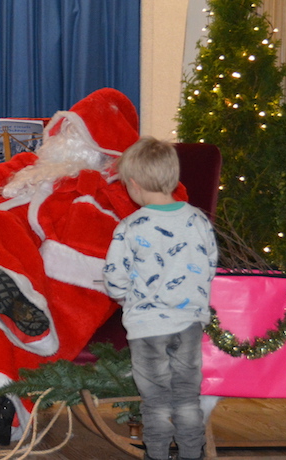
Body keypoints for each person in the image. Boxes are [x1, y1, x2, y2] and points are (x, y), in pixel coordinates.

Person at [0, 88, 188, 445]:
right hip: (15, 262)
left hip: (79, 275)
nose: (63, 139)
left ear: (106, 141)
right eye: (65, 129)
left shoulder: (123, 177)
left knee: (51, 307)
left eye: (77, 132)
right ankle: (13, 291)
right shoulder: (34, 167)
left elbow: (171, 203)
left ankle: (0, 406)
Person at [103, 137, 217, 460]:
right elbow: (209, 267)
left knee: (155, 400)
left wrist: (128, 299)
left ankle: (156, 454)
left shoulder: (130, 227)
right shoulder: (198, 221)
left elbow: (114, 279)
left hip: (146, 328)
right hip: (189, 326)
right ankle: (193, 454)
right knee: (186, 397)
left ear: (134, 185)